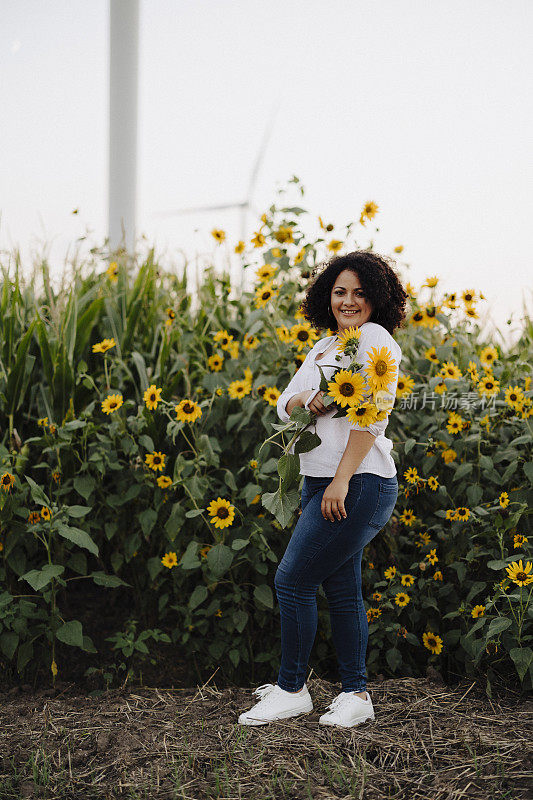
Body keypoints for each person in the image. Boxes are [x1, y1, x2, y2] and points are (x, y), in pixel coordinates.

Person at [238, 250, 408, 728]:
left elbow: (372, 415)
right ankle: (356, 695)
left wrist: (340, 479)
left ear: (376, 298)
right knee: (341, 588)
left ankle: (292, 689)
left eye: (359, 292)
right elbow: (282, 404)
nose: (348, 301)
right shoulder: (324, 347)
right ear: (326, 297)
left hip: (359, 481)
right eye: (339, 292)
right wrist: (303, 399)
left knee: (292, 581)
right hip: (320, 480)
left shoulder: (375, 340)